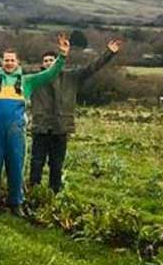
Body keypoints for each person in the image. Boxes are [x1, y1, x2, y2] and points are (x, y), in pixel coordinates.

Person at [0, 16, 69, 214]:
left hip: (16, 132)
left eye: (11, 60)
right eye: (6, 60)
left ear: (17, 62)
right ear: (2, 62)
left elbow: (49, 74)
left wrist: (62, 56)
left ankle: (17, 204)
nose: (8, 63)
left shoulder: (27, 81)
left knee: (16, 167)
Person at [28, 39, 124, 193]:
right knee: (36, 163)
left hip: (61, 128)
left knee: (56, 164)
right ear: (42, 64)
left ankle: (54, 193)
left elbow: (92, 67)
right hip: (41, 127)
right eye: (45, 61)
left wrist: (109, 53)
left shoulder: (71, 77)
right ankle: (33, 192)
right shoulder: (35, 79)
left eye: (51, 60)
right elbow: (12, 68)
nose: (48, 63)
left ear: (57, 61)